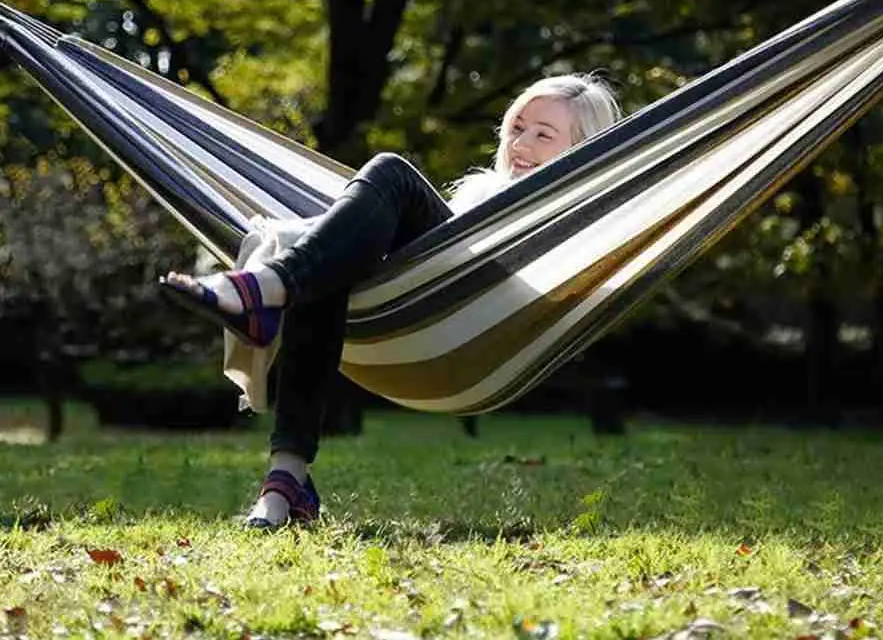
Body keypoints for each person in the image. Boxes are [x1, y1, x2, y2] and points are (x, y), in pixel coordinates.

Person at [160, 72, 621, 528]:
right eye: (516, 128)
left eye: (544, 135)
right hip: (438, 299)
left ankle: (263, 289)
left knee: (390, 174)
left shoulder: (583, 231)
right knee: (329, 265)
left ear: (583, 148)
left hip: (481, 316)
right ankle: (284, 483)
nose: (521, 145)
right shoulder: (482, 198)